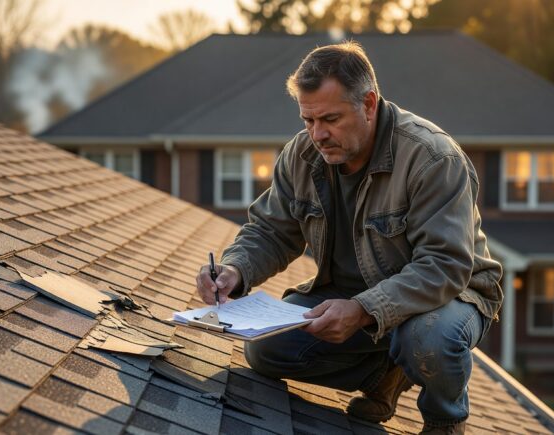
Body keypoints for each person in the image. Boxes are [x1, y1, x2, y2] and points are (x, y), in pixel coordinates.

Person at [195, 41, 503, 434]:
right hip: (349, 296)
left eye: (330, 119)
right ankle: (383, 376)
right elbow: (271, 229)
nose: (317, 134)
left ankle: (445, 420)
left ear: (369, 104)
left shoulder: (432, 158)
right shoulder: (302, 155)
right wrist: (235, 270)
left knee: (428, 339)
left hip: (448, 296)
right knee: (265, 350)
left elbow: (445, 265)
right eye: (308, 120)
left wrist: (363, 308)